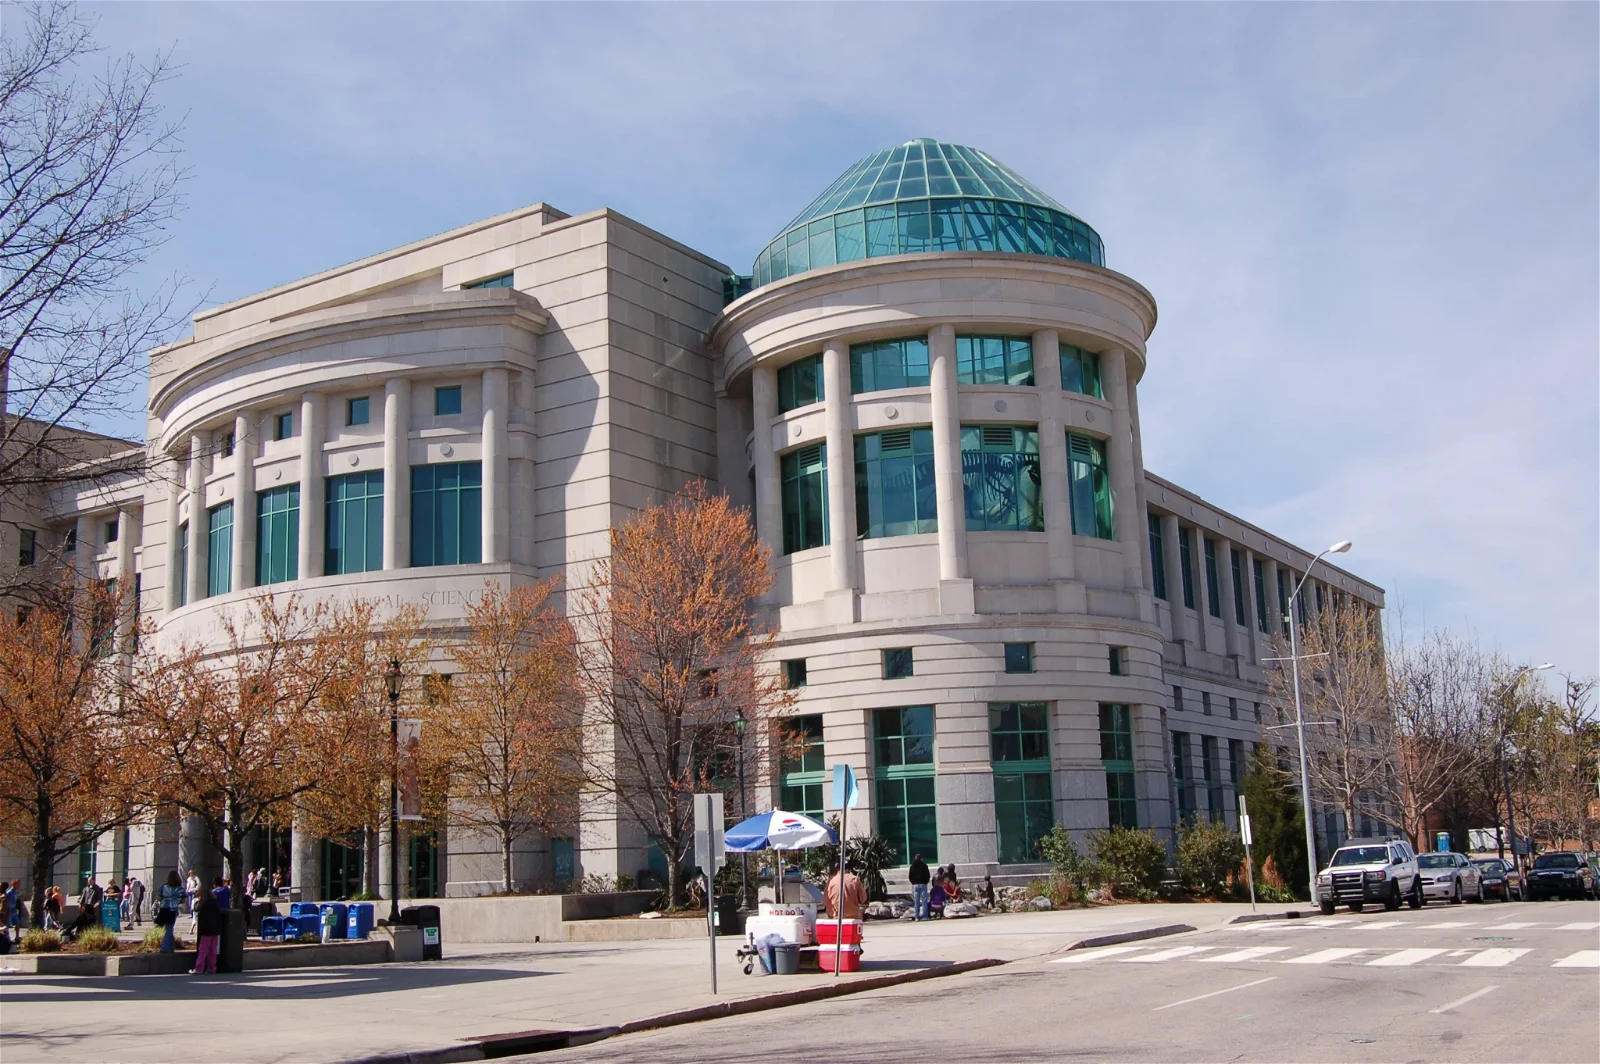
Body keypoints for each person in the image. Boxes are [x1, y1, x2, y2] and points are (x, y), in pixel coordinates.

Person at [192, 889, 223, 974]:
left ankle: (199, 968)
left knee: (203, 950)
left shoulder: (203, 905)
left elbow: (196, 909)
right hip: (215, 931)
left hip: (206, 931)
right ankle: (211, 968)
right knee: (212, 951)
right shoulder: (215, 904)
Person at [156, 871, 184, 953]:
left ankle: (171, 946)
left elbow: (159, 898)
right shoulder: (180, 889)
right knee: (169, 928)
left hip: (164, 909)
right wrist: (176, 900)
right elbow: (183, 900)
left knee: (167, 928)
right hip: (173, 909)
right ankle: (165, 948)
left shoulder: (163, 887)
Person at [907, 853, 931, 921]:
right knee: (924, 901)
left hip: (915, 885)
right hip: (923, 884)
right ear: (921, 858)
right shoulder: (924, 866)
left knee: (916, 902)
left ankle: (917, 916)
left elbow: (910, 876)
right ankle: (925, 916)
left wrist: (913, 882)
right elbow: (928, 875)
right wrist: (925, 882)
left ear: (915, 858)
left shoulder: (912, 866)